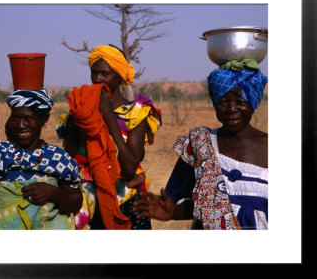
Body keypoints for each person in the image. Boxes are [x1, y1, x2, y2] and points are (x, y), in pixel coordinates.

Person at [133, 64, 268, 230]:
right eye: (223, 102)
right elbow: (192, 203)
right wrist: (174, 212)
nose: (231, 109)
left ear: (253, 102)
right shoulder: (199, 144)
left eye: (240, 102)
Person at [56, 44, 162, 229]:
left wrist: (109, 117)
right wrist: (81, 119)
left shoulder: (135, 113)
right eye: (94, 73)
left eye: (105, 74)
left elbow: (129, 169)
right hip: (86, 201)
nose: (97, 79)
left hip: (125, 200)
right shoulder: (82, 112)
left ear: (120, 77)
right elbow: (71, 160)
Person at [0, 89, 82, 230]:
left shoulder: (59, 159)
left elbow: (76, 202)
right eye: (15, 118)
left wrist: (53, 193)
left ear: (44, 119)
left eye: (29, 119)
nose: (21, 125)